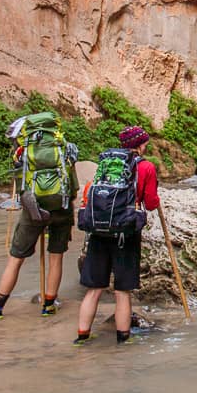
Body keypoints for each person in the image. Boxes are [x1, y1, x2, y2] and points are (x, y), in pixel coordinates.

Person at [0, 120, 79, 320]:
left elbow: (22, 191)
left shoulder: (21, 153)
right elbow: (73, 186)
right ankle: (49, 305)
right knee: (56, 257)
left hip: (33, 209)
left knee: (16, 257)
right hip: (62, 207)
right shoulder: (65, 148)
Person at [74, 125, 159, 346]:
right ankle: (123, 339)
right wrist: (157, 201)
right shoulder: (147, 167)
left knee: (94, 289)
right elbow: (150, 203)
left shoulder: (107, 162)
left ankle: (82, 336)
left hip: (98, 231)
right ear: (140, 144)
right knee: (122, 290)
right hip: (125, 233)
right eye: (145, 142)